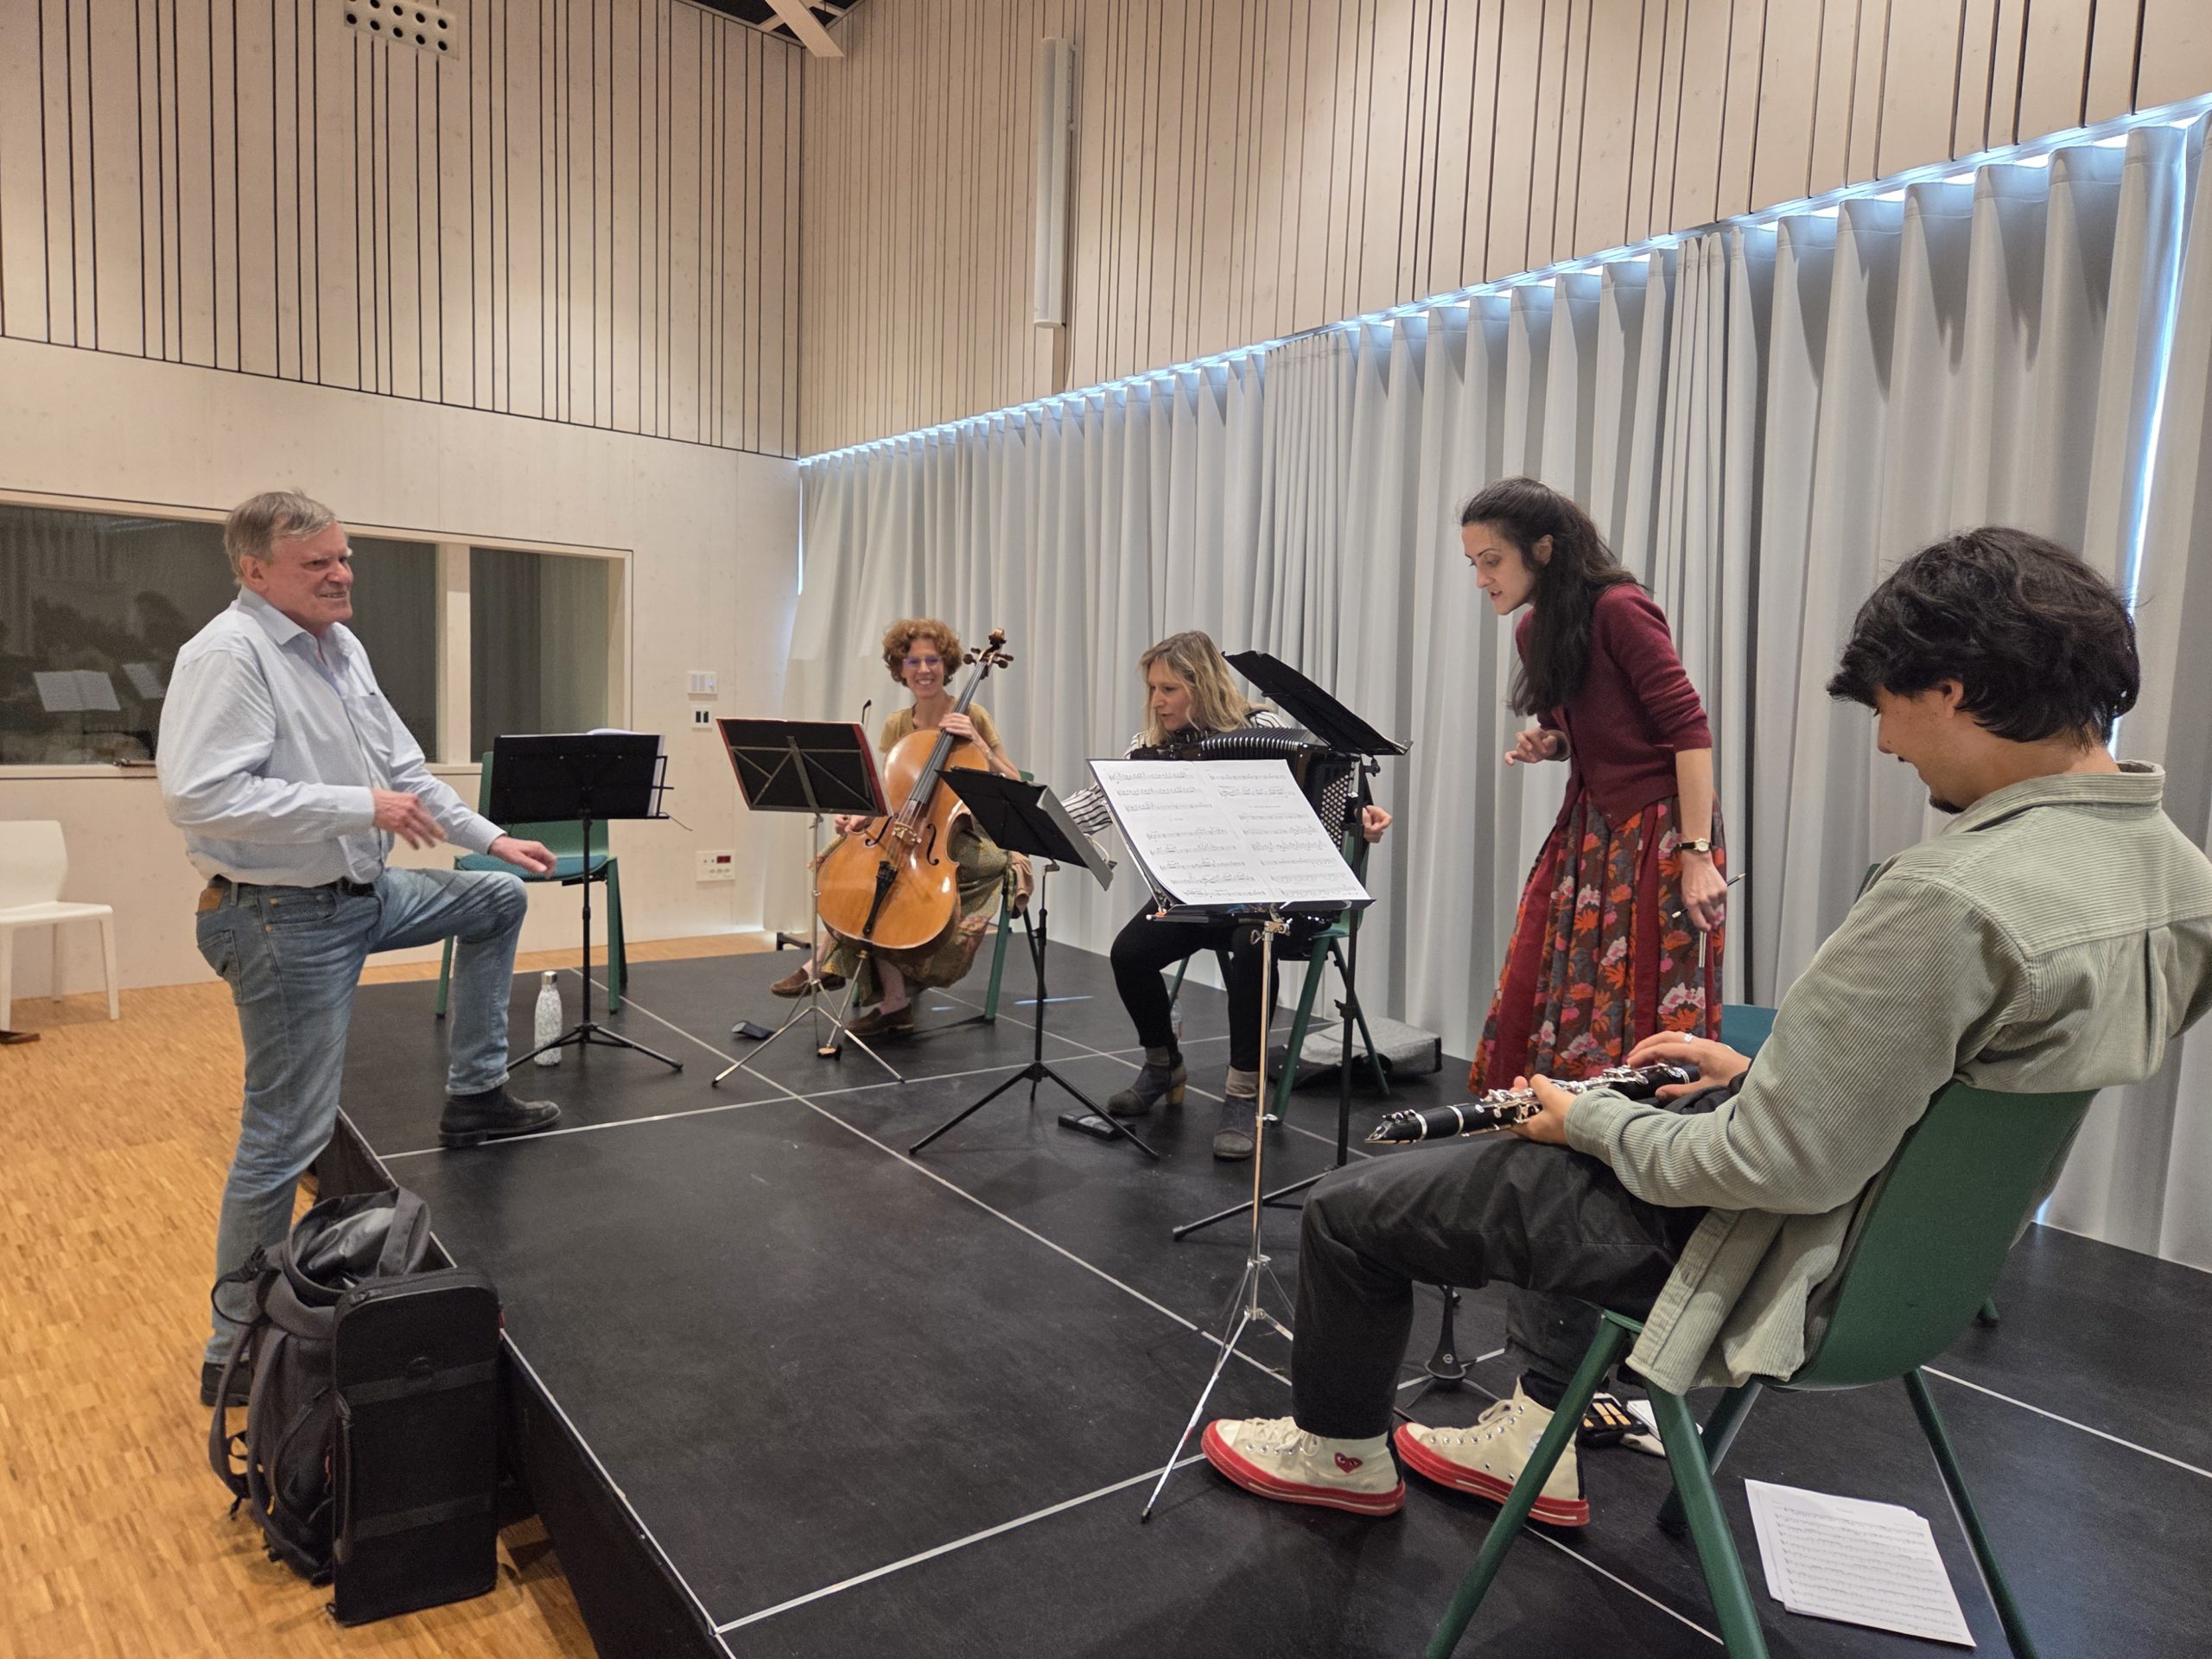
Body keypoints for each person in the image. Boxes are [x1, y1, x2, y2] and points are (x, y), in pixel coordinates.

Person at [1201, 527, 2212, 1521]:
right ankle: (1535, 1429)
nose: (1886, 743)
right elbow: (1957, 1082)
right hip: (1913, 1272)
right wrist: (1765, 1073)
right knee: (1603, 1130)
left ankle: (1339, 1455)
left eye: (1887, 709)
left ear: (1949, 689)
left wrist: (1592, 1123)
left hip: (1775, 1251)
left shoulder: (1948, 896)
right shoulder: (2177, 876)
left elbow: (1771, 1166)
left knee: (1356, 1207)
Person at [160, 492, 563, 1408]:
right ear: (254, 570)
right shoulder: (229, 654)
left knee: (495, 898)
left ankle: (476, 1096)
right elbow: (202, 796)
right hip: (279, 917)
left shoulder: (340, 647)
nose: (342, 575)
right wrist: (359, 806)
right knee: (284, 1137)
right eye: (318, 564)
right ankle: (233, 1348)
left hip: (361, 896)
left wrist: (490, 838)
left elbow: (406, 773)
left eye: (345, 558)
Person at [1064, 631, 1391, 1160]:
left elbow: (1318, 795)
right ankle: (1163, 1064)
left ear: (1202, 685)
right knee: (1129, 953)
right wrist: (1042, 819)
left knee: (1251, 946)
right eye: (1152, 689)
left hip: (1272, 895)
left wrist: (1359, 816)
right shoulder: (1148, 746)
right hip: (1196, 888)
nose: (1156, 701)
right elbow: (1101, 803)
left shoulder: (1263, 730)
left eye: (1168, 689)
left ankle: (1242, 1091)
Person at [1460, 476, 1726, 1093]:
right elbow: (1581, 726)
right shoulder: (1534, 631)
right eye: (1475, 564)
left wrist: (1696, 856)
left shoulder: (1620, 608)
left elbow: (1689, 732)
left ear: (1543, 549)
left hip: (1663, 826)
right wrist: (1550, 741)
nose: (1481, 579)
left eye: (1492, 560)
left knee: (1649, 992)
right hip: (1591, 826)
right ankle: (1566, 1117)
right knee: (1559, 981)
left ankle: (1642, 1131)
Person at [772, 618, 1029, 1038]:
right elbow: (889, 792)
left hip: (965, 838)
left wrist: (979, 743)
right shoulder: (897, 723)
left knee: (890, 875)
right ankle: (892, 1002)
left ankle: (824, 966)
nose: (924, 669)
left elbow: (1015, 783)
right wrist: (857, 816)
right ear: (900, 668)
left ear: (948, 665)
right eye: (913, 661)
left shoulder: (973, 715)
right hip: (910, 829)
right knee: (856, 862)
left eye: (932, 660)